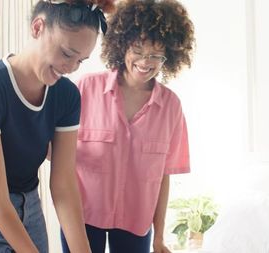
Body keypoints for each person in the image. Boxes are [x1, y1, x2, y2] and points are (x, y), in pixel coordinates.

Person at [0, 0, 113, 252]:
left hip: (29, 207)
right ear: (37, 27)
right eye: (67, 53)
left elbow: (64, 184)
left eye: (81, 61)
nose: (70, 68)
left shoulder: (67, 96)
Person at [60, 0, 196, 252]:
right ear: (122, 45)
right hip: (82, 219)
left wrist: (159, 236)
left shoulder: (171, 107)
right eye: (138, 49)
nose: (146, 62)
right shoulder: (85, 90)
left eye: (156, 55)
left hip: (136, 222)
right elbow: (61, 161)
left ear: (169, 55)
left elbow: (162, 177)